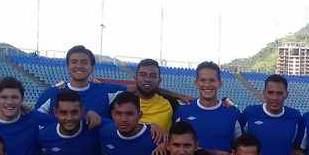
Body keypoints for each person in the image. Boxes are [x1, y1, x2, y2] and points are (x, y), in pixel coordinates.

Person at [35, 46, 193, 118]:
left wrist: (178, 95)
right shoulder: (51, 93)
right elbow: (33, 119)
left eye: (84, 62)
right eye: (74, 62)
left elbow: (144, 87)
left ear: (92, 67)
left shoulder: (105, 90)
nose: (79, 66)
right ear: (68, 67)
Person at [240, 74, 303, 155]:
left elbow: (297, 148)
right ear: (264, 93)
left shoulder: (295, 116)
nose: (274, 98)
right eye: (270, 93)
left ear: (286, 94)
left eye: (279, 93)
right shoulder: (249, 113)